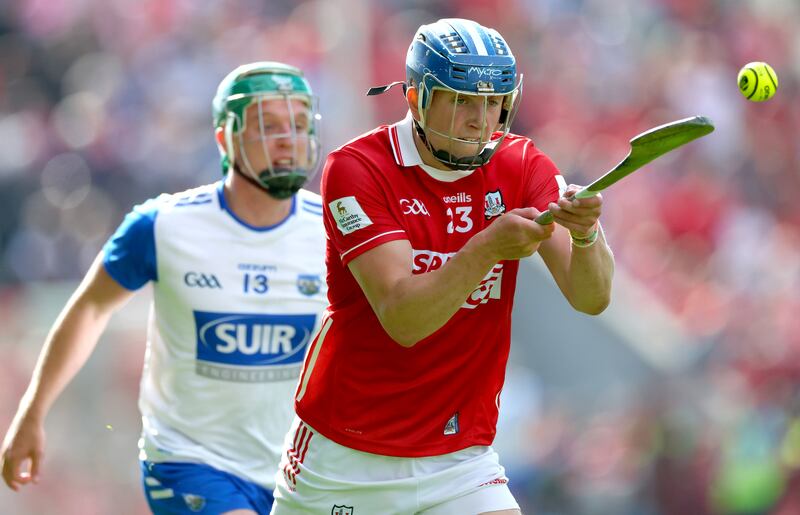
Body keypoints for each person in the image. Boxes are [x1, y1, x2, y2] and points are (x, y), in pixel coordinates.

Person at [271, 19, 614, 515]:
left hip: (460, 462)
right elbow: (404, 319)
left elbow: (592, 298)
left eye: (493, 102)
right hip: (345, 459)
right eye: (462, 101)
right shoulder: (357, 169)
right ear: (416, 97)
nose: (481, 119)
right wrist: (485, 249)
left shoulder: (521, 164)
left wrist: (585, 234)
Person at [1, 62, 328, 515]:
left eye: (296, 124)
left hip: (300, 473)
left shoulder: (336, 229)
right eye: (267, 126)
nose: (287, 140)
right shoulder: (163, 225)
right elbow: (89, 310)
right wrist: (31, 412)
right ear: (225, 138)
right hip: (188, 462)